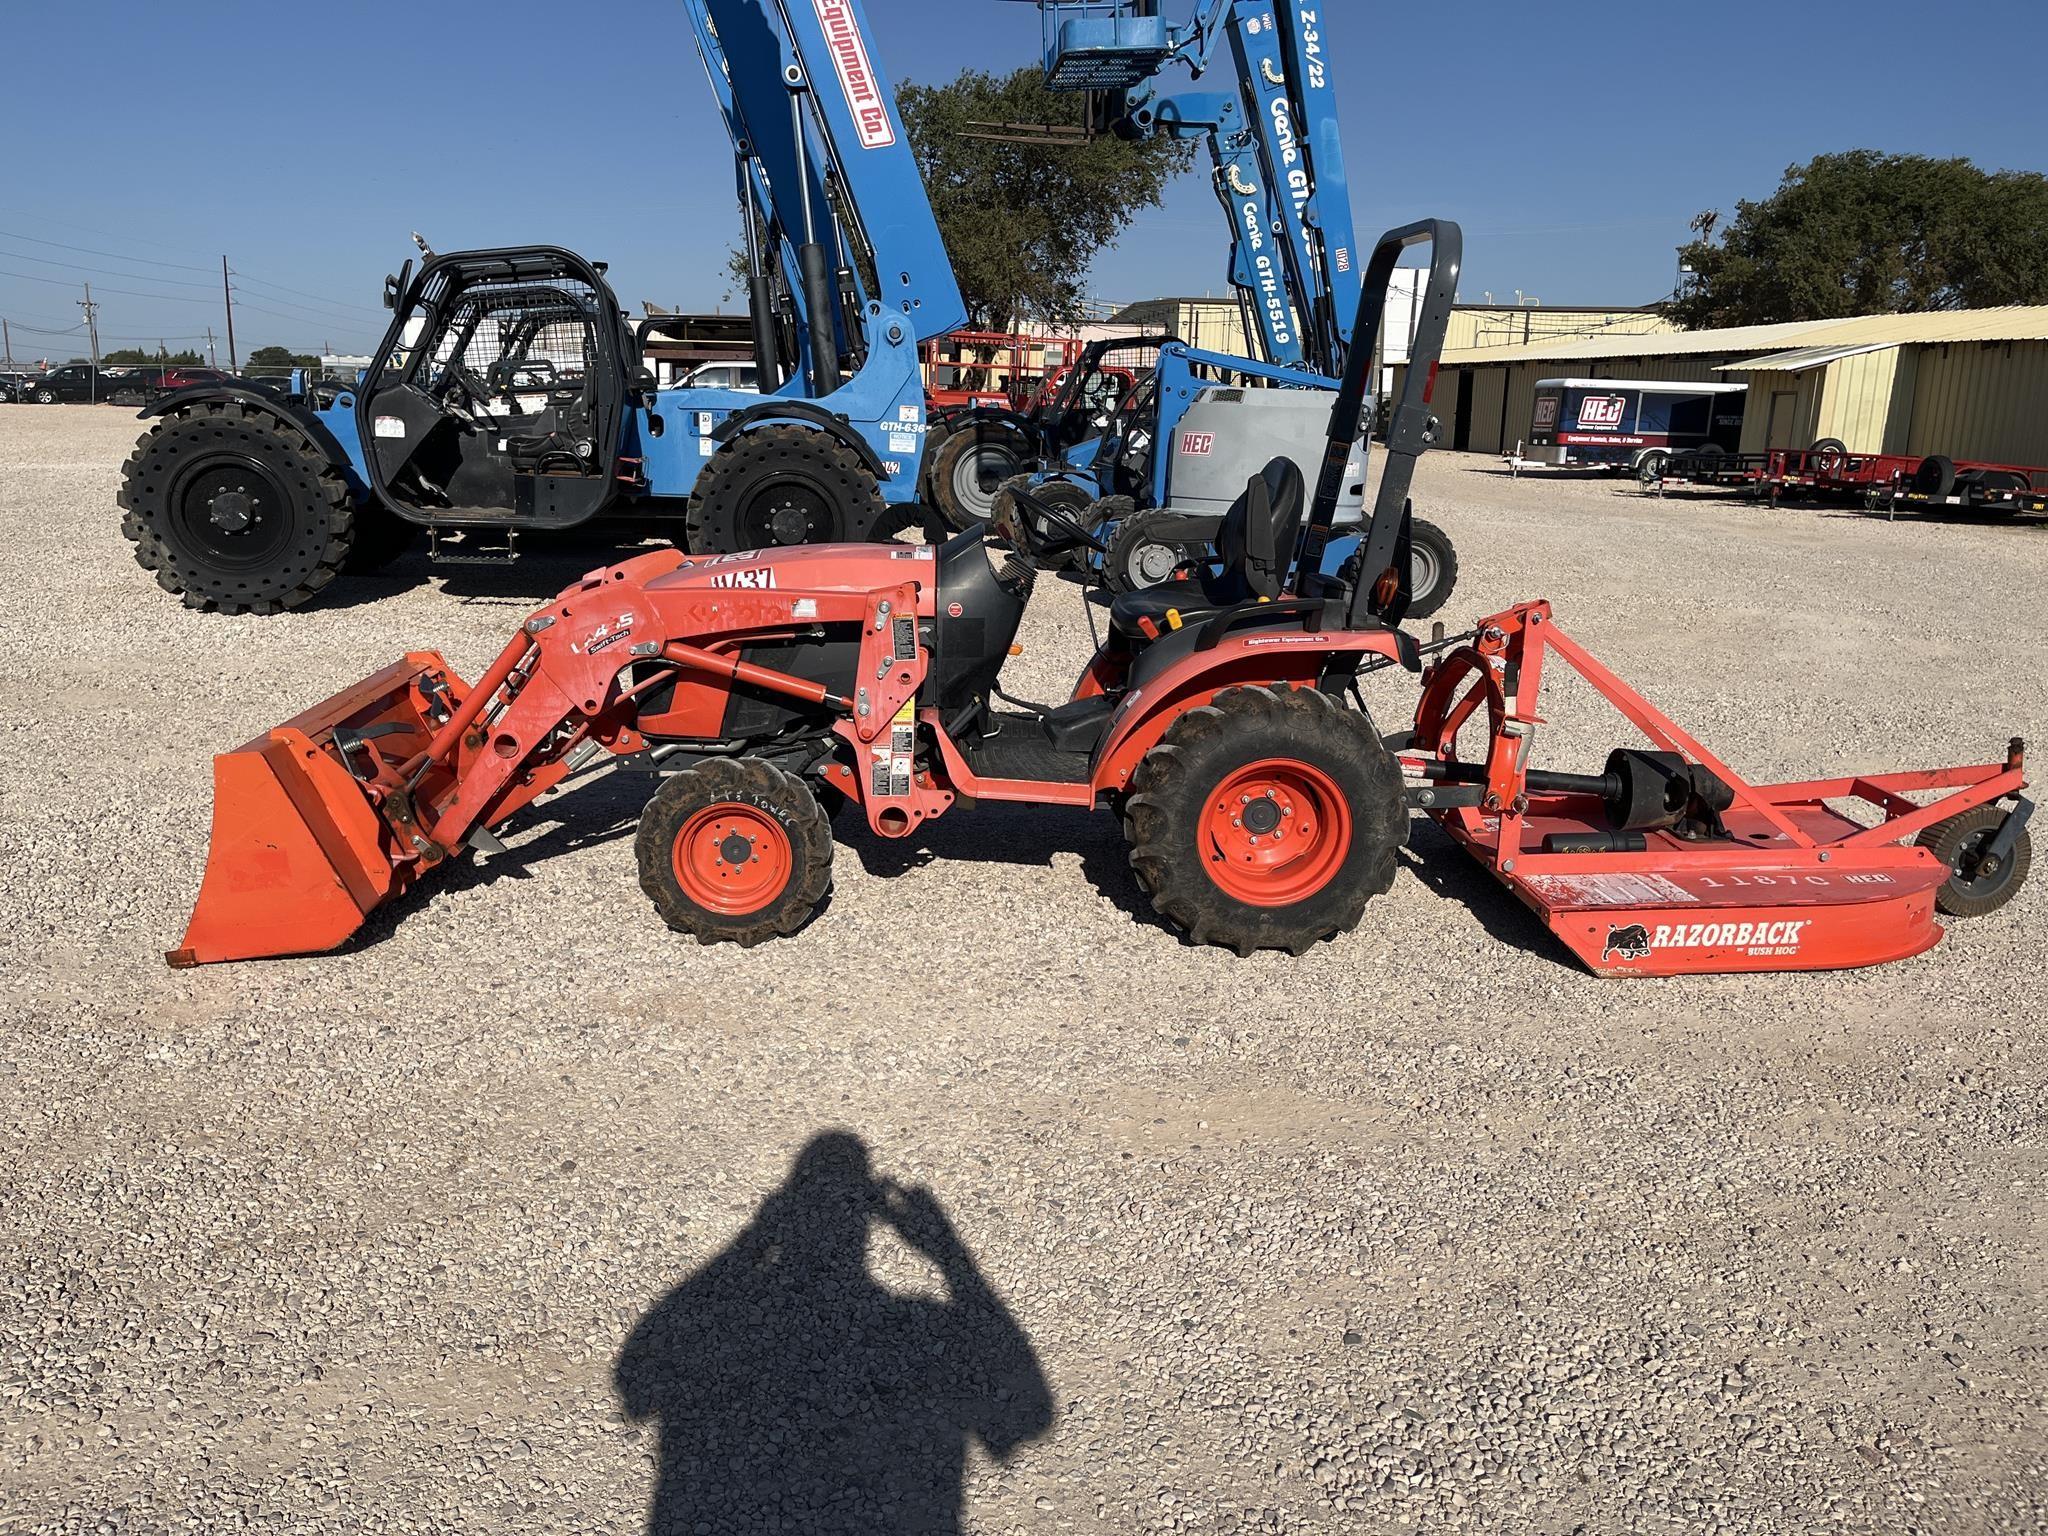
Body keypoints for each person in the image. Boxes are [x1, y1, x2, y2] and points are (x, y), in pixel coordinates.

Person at [615, 1131, 1052, 1534]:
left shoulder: (733, 1323)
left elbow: (639, 1374)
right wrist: (950, 1255)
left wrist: (752, 1241)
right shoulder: (923, 1328)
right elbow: (1026, 1413)